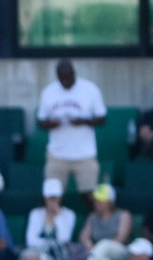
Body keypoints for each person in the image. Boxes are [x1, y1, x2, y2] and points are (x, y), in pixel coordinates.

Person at [37, 60, 109, 192]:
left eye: (68, 78)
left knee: (89, 195)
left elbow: (102, 118)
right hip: (57, 154)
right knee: (52, 195)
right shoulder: (48, 92)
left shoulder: (90, 89)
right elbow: (40, 121)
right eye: (62, 79)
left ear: (74, 74)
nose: (65, 82)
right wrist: (52, 123)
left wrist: (83, 121)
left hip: (84, 154)